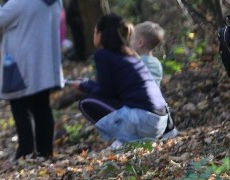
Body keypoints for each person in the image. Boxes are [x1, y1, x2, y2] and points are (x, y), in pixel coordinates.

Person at [0, 0, 63, 162]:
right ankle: (44, 151)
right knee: (42, 107)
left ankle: (24, 151)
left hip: (22, 62)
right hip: (46, 62)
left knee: (19, 105)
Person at [69, 14, 169, 149]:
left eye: (94, 31)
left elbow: (106, 93)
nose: (93, 35)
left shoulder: (102, 55)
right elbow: (113, 89)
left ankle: (125, 140)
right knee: (98, 98)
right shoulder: (129, 54)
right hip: (160, 121)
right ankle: (132, 140)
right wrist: (86, 84)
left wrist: (84, 87)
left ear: (100, 34)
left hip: (144, 120)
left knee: (86, 103)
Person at [131, 21, 177, 139]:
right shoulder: (156, 63)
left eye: (132, 39)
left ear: (140, 43)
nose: (130, 43)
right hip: (159, 108)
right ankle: (168, 131)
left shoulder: (136, 64)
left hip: (142, 110)